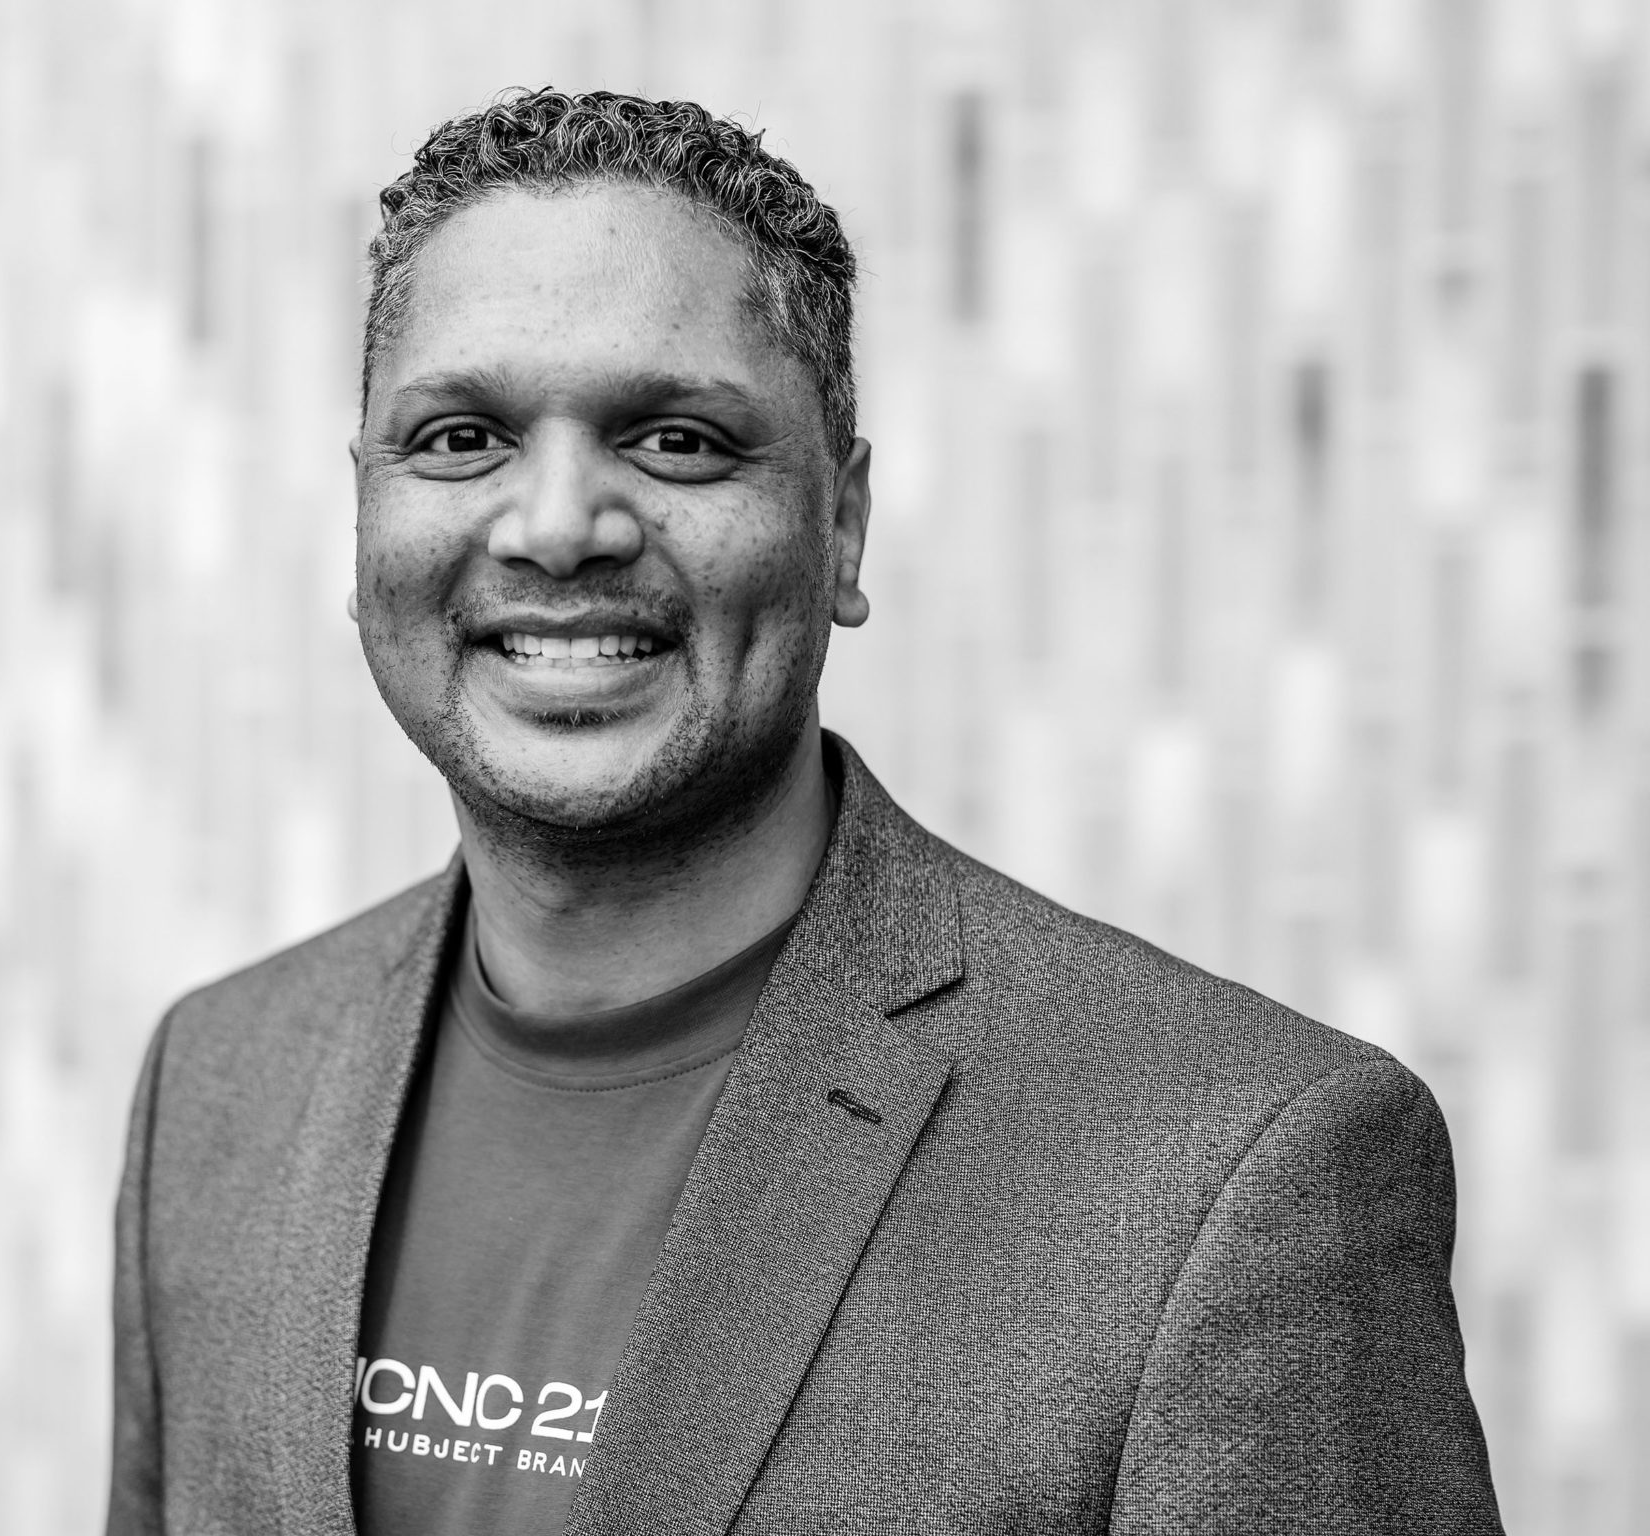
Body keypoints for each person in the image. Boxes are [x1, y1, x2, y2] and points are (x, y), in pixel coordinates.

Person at [106, 89, 1502, 1536]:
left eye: (677, 440)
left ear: (842, 522)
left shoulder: (1241, 1169)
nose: (558, 524)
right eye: (461, 437)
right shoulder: (220, 1084)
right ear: (363, 515)